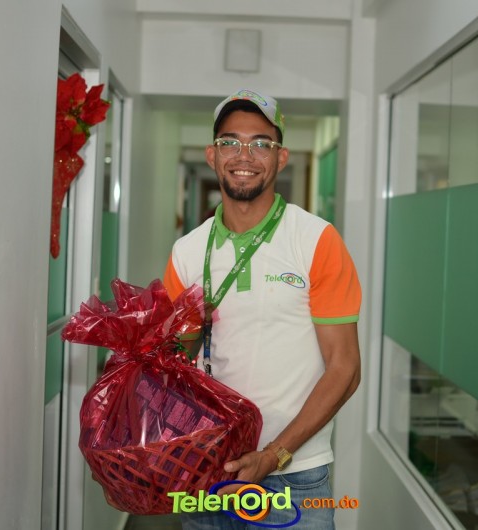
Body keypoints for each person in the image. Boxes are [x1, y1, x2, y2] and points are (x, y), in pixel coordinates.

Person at [163, 89, 362, 529]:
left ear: (281, 158)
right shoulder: (187, 252)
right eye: (230, 142)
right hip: (207, 471)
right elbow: (174, 362)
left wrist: (273, 455)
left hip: (295, 474)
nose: (244, 155)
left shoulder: (316, 240)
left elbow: (345, 369)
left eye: (261, 143)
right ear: (212, 156)